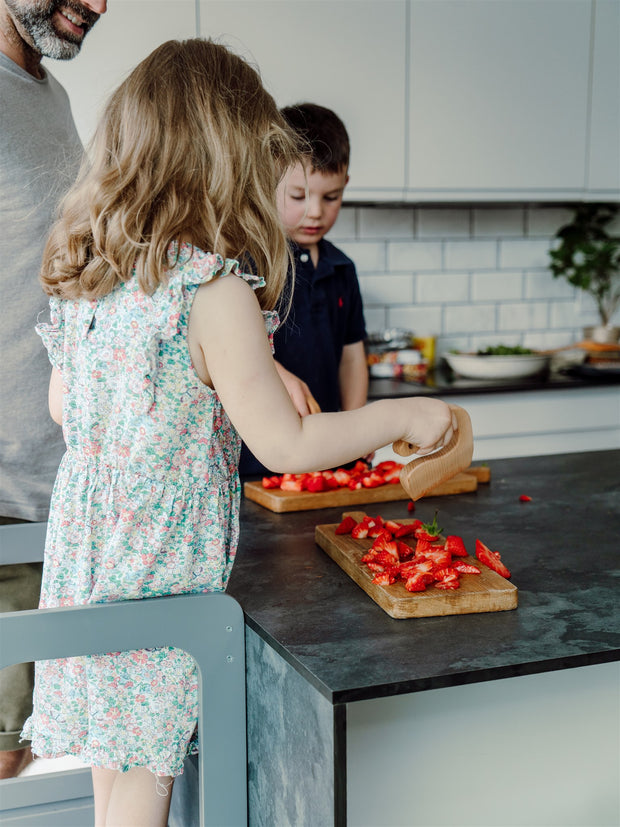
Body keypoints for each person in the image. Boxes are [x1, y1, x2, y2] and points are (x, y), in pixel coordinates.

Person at [20, 38, 456, 826]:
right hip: (159, 582)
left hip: (87, 570)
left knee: (110, 791)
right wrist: (403, 414)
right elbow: (286, 444)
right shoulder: (210, 288)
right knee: (142, 803)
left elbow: (66, 409)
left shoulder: (93, 271)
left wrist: (197, 400)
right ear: (227, 156)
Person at [0, 0, 107, 778]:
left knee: (33, 754)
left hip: (53, 491)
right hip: (1, 491)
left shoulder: (50, 97)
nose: (99, 4)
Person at [239, 102, 369, 477]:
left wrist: (356, 430)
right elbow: (233, 352)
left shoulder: (343, 269)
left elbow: (351, 356)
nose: (315, 212)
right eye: (299, 196)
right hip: (258, 458)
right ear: (267, 181)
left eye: (331, 198)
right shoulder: (248, 266)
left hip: (328, 453)